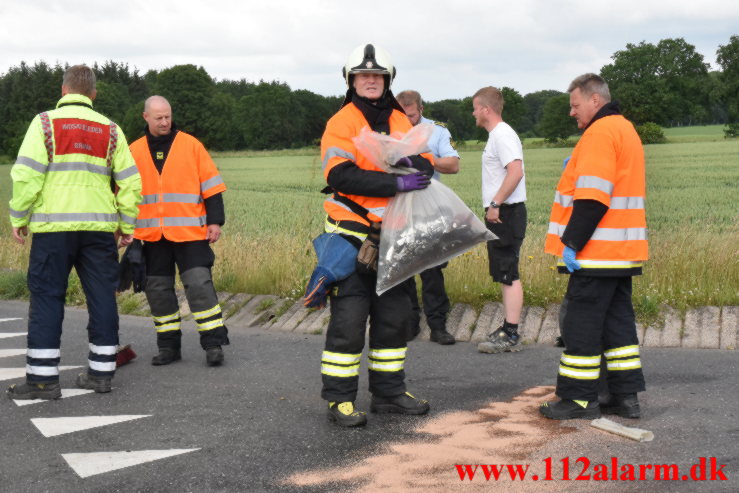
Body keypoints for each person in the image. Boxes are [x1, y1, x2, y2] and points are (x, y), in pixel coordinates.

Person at [7, 65, 142, 399]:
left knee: (47, 299)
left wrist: (18, 216)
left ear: (64, 90)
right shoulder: (112, 130)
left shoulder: (44, 124)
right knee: (101, 297)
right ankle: (100, 375)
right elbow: (130, 182)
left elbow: (27, 175)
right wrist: (126, 225)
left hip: (54, 229)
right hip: (98, 230)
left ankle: (42, 381)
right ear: (93, 94)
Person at [318, 43, 435, 427]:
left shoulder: (401, 120)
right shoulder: (343, 121)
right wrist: (394, 183)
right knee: (349, 323)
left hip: (396, 236)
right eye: (364, 75)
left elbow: (426, 162)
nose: (371, 80)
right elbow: (339, 175)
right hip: (352, 236)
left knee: (394, 319)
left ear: (387, 80)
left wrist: (412, 164)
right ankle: (340, 400)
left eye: (378, 75)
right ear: (352, 80)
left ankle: (388, 393)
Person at [539, 73, 648, 420]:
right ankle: (625, 397)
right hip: (621, 253)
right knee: (618, 326)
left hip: (596, 253)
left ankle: (579, 398)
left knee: (580, 326)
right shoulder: (624, 128)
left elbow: (592, 198)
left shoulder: (599, 133)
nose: (572, 113)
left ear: (594, 100)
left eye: (575, 105)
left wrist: (571, 242)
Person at [129, 96, 229, 367]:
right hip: (151, 238)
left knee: (200, 287)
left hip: (191, 233)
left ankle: (213, 345)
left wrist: (215, 222)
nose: (164, 122)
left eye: (168, 116)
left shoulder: (191, 145)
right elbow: (124, 195)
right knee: (158, 292)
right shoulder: (133, 151)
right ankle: (168, 347)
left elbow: (212, 187)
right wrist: (124, 230)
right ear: (145, 117)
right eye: (159, 117)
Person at [396, 90, 460, 345]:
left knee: (432, 269)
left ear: (421, 109)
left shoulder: (438, 132)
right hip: (400, 206)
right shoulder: (391, 129)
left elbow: (453, 165)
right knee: (405, 268)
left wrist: (424, 159)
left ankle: (438, 325)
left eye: (411, 115)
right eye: (403, 115)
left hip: (430, 207)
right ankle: (410, 322)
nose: (408, 121)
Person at [471, 87, 527, 354]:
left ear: (486, 109)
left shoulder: (502, 135)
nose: (473, 114)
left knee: (509, 272)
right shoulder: (498, 135)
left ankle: (512, 333)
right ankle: (508, 327)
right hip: (504, 212)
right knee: (505, 272)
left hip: (506, 213)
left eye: (475, 108)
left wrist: (496, 204)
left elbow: (515, 171)